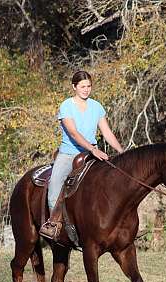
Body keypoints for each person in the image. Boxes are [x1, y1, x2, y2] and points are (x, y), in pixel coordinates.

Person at [39, 70, 124, 240]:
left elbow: (107, 132)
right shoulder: (66, 106)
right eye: (82, 86)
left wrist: (122, 152)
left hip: (92, 155)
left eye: (89, 86)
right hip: (69, 153)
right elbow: (73, 133)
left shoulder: (97, 106)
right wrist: (93, 149)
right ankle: (53, 224)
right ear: (74, 87)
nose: (86, 89)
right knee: (55, 183)